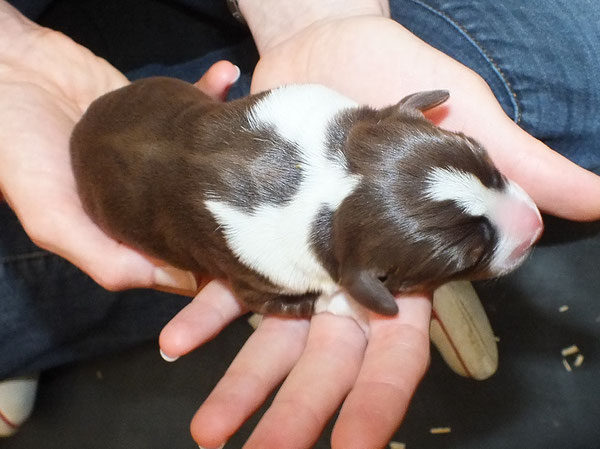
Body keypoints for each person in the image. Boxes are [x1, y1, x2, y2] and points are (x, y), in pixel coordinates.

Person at [0, 0, 598, 447]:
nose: (530, 221)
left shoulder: (299, 122)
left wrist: (312, 17)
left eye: (487, 172)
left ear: (408, 113)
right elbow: (262, 285)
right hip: (148, 118)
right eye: (476, 249)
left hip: (142, 109)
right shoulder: (267, 230)